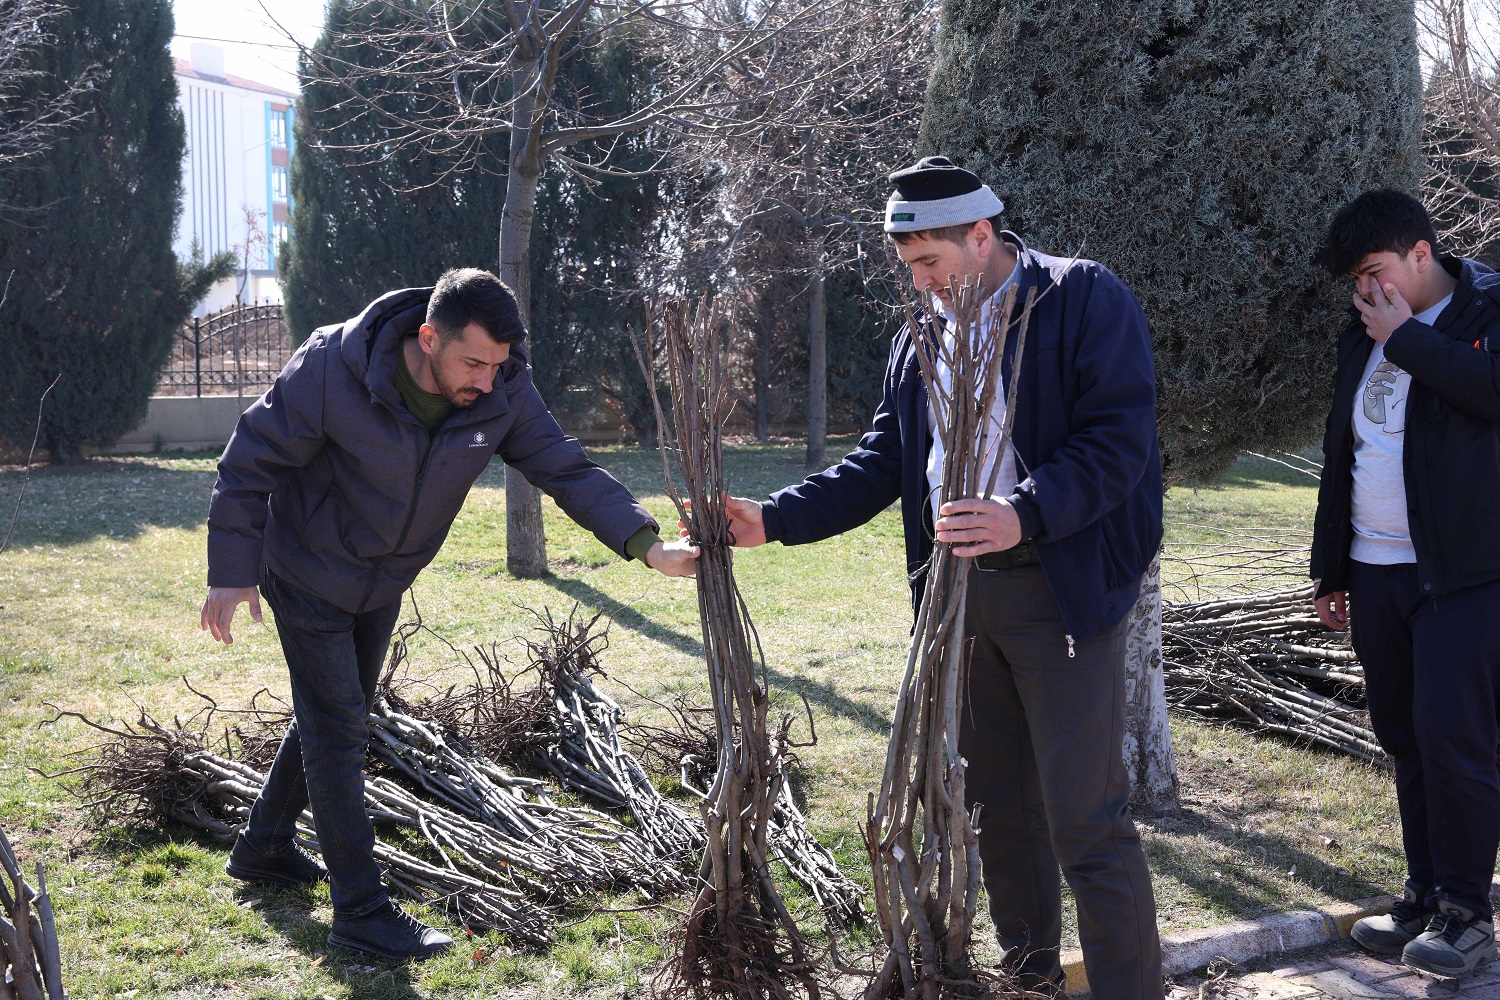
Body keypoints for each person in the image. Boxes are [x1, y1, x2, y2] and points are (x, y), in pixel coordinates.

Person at [721, 156, 1165, 999]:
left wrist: (1024, 511)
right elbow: (881, 461)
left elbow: (1120, 441)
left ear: (982, 235)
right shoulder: (920, 336)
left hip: (1059, 593)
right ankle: (1031, 984)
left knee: (1086, 823)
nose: (920, 283)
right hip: (957, 603)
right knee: (1000, 817)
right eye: (909, 266)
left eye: (930, 261)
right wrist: (772, 519)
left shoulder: (1081, 299)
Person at [200, 268, 699, 962]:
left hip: (384, 577)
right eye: (474, 363)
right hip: (308, 569)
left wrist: (648, 547)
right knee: (338, 731)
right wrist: (230, 573)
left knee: (334, 715)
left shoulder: (504, 386)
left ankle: (264, 846)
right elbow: (249, 462)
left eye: (498, 365)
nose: (488, 382)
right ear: (428, 337)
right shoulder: (332, 367)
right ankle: (361, 913)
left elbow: (563, 467)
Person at [1310, 189, 1500, 980]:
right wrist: (1331, 566)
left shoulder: (1487, 309)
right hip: (1375, 569)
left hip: (1466, 576)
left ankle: (1468, 913)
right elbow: (1344, 449)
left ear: (1421, 253)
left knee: (1454, 738)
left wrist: (1407, 339)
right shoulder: (1364, 329)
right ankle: (1424, 896)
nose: (1366, 292)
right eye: (1356, 280)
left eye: (1375, 271)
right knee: (1405, 737)